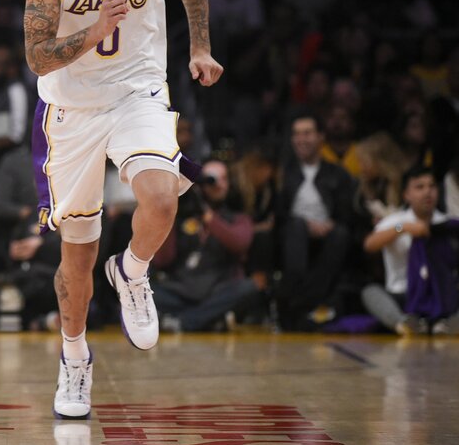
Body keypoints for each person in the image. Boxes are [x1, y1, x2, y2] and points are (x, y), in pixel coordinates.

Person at [22, 0, 222, 419]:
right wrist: (93, 31)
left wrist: (201, 46)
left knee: (161, 196)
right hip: (71, 110)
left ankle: (133, 271)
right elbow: (38, 56)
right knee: (77, 259)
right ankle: (75, 358)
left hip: (138, 93)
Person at [151, 160, 262, 332]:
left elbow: (240, 243)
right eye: (211, 179)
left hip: (217, 291)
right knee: (141, 291)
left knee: (249, 288)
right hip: (181, 290)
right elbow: (161, 260)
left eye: (223, 179)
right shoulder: (182, 218)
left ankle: (182, 321)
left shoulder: (237, 219)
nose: (217, 184)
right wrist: (169, 216)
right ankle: (211, 320)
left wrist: (208, 217)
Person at [275, 112, 355, 330]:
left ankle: (296, 306)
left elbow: (346, 214)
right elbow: (278, 214)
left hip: (328, 233)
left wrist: (328, 224)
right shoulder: (284, 172)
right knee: (296, 227)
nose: (301, 139)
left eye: (308, 133)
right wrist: (304, 223)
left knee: (341, 234)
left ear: (321, 137)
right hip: (293, 233)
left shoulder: (338, 174)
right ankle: (303, 305)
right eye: (297, 134)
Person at [361, 165, 459, 336]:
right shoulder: (397, 221)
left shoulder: (447, 223)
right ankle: (403, 323)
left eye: (432, 186)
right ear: (406, 195)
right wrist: (404, 228)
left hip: (441, 295)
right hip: (403, 295)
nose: (427, 192)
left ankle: (448, 325)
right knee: (369, 292)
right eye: (420, 187)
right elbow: (370, 244)